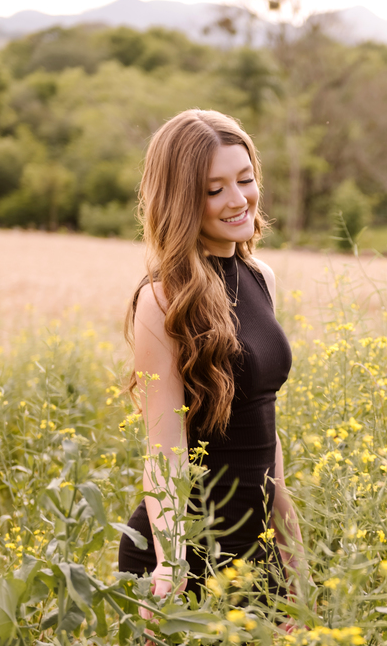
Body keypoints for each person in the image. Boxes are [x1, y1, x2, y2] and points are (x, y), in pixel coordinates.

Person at [117, 109, 306, 605]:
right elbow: (164, 448)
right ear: (181, 200)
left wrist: (292, 551)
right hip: (189, 549)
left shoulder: (260, 277)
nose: (238, 199)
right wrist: (170, 562)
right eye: (213, 189)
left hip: (256, 549)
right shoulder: (162, 299)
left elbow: (264, 433)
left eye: (245, 179)